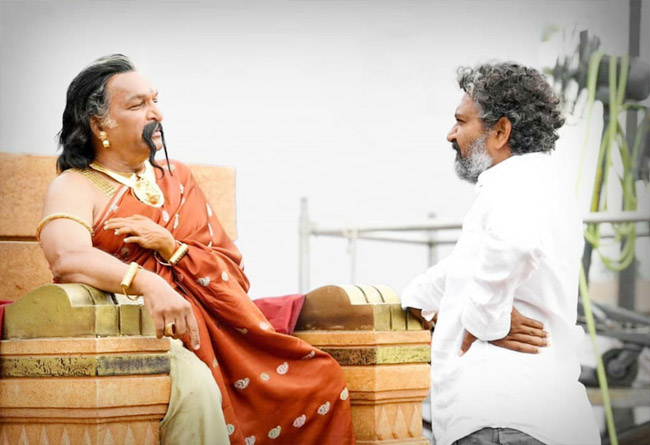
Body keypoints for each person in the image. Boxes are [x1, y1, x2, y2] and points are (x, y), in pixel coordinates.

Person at [38, 54, 355, 445]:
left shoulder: (177, 178)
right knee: (200, 390)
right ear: (99, 123)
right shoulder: (75, 185)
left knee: (320, 376)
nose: (157, 114)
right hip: (138, 331)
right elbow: (67, 258)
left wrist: (172, 248)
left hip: (214, 327)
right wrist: (149, 284)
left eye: (155, 100)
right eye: (137, 105)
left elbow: (231, 270)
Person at [401, 62, 600, 445]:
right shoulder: (534, 185)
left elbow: (515, 245)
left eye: (461, 121)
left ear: (500, 131)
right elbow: (454, 275)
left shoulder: (517, 184)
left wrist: (485, 321)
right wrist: (413, 301)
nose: (450, 134)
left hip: (501, 423)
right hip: (529, 420)